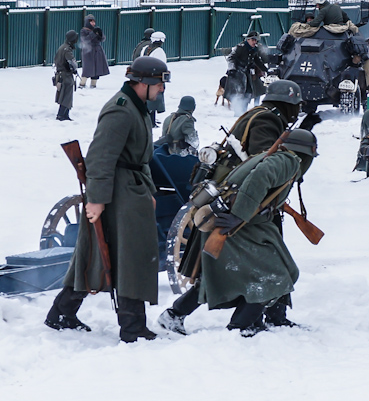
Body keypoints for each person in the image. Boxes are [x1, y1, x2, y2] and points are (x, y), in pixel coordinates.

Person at [158, 79, 303, 335]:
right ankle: (256, 320)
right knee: (268, 263)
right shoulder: (268, 121)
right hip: (243, 205)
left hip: (235, 202)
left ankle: (272, 314)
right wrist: (248, 210)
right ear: (288, 103)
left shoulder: (257, 114)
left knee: (227, 267)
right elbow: (263, 165)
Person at [45, 55, 169, 342]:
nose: (162, 89)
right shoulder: (121, 110)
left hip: (131, 190)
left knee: (106, 256)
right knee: (127, 259)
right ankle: (132, 327)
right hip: (119, 194)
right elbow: (100, 159)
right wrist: (97, 200)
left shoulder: (135, 108)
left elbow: (142, 159)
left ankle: (62, 313)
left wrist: (148, 191)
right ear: (146, 82)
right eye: (160, 83)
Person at [225, 32, 267, 115]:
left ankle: (243, 111)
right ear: (248, 40)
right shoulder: (240, 47)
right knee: (239, 93)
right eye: (253, 40)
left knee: (248, 93)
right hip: (237, 73)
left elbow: (256, 60)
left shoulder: (254, 49)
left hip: (247, 73)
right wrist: (232, 69)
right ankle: (238, 113)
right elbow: (230, 58)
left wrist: (265, 69)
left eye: (256, 40)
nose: (255, 42)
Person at [78, 14, 110, 89]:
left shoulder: (95, 30)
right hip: (88, 52)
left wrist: (100, 34)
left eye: (94, 22)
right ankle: (82, 84)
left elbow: (103, 39)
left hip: (98, 51)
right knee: (87, 68)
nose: (93, 23)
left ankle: (93, 84)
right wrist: (93, 33)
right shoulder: (83, 30)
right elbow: (85, 40)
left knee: (97, 68)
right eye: (91, 22)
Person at [53, 30, 78, 121]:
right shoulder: (67, 49)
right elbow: (72, 62)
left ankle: (65, 114)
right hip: (65, 75)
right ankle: (61, 115)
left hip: (61, 74)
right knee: (66, 95)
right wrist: (74, 68)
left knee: (65, 94)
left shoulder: (62, 47)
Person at [143, 32, 167, 127]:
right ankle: (151, 122)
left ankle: (150, 120)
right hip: (155, 77)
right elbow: (161, 65)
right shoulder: (159, 51)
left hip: (145, 76)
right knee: (153, 100)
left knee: (148, 98)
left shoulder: (146, 49)